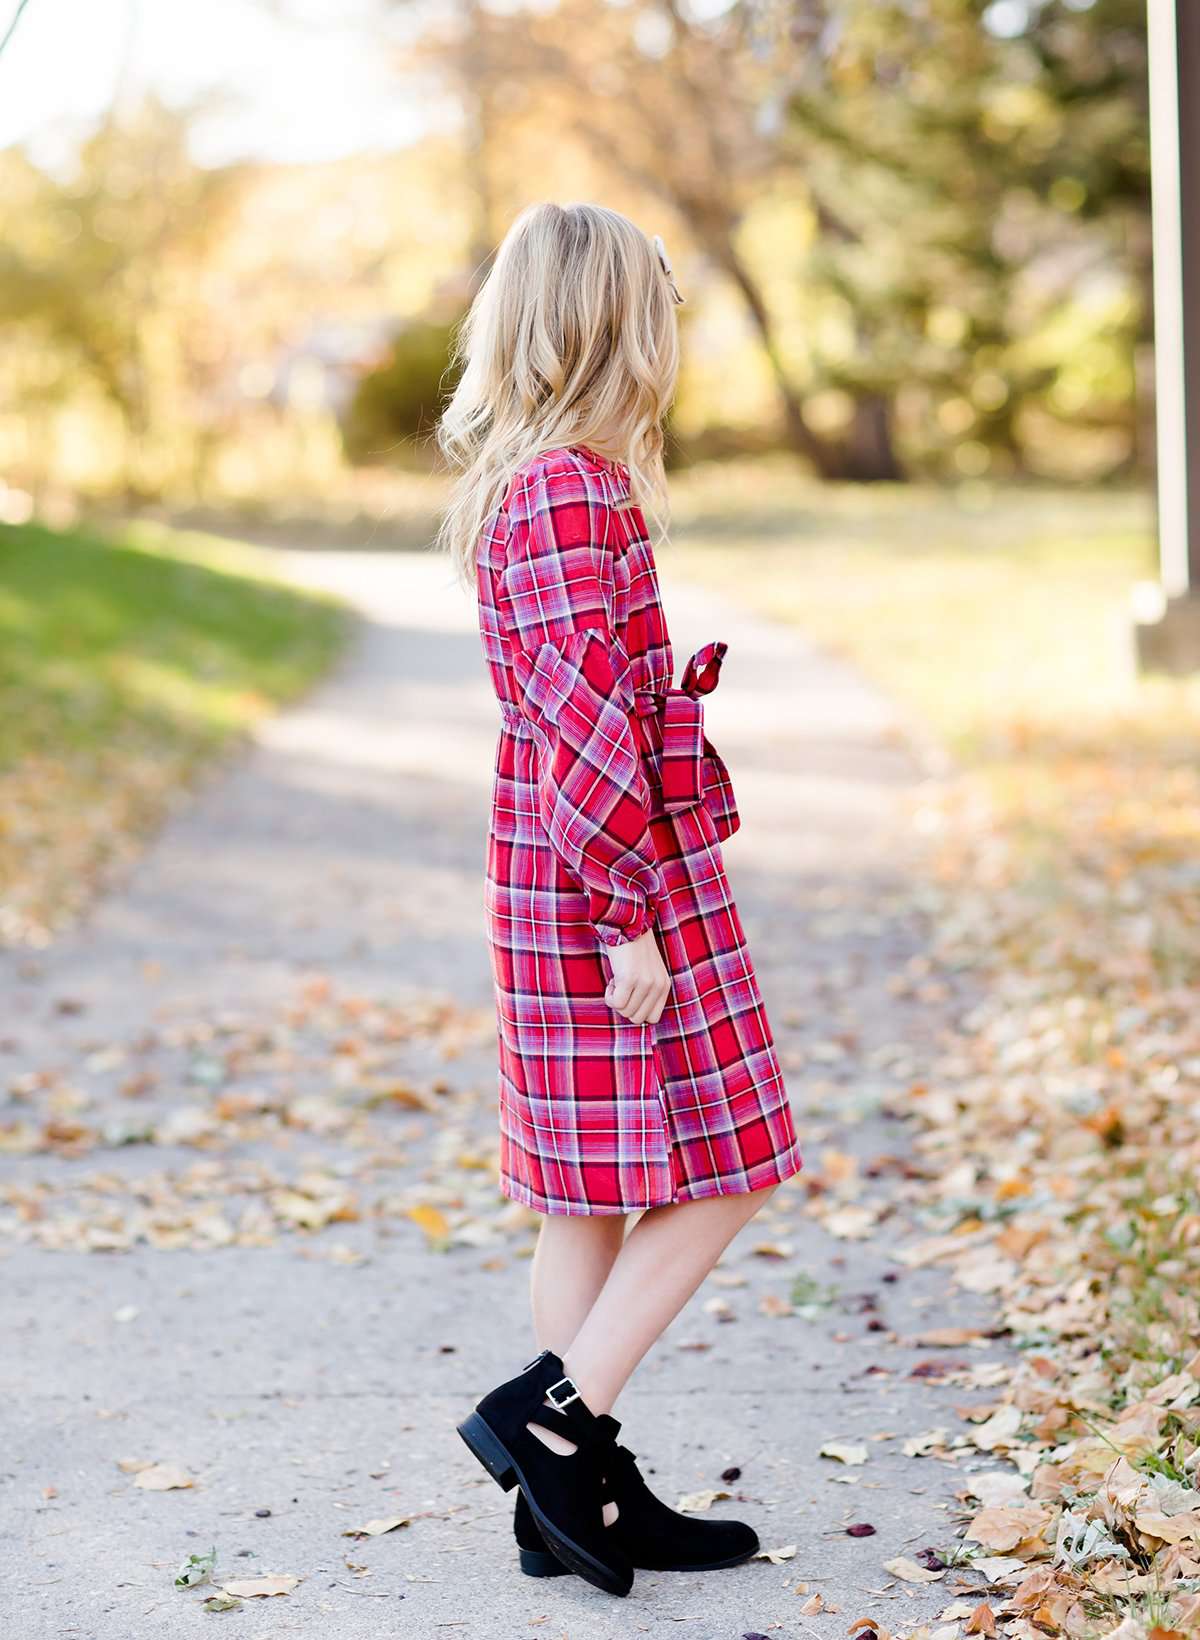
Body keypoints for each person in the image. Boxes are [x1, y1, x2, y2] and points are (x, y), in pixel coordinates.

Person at [435, 201, 804, 1598]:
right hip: (608, 876)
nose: (675, 334)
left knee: (587, 1192)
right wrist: (629, 913)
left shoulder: (531, 483)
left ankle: (566, 1497)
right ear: (612, 324)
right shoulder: (573, 492)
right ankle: (556, 1420)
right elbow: (591, 721)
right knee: (740, 1156)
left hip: (561, 865)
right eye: (662, 306)